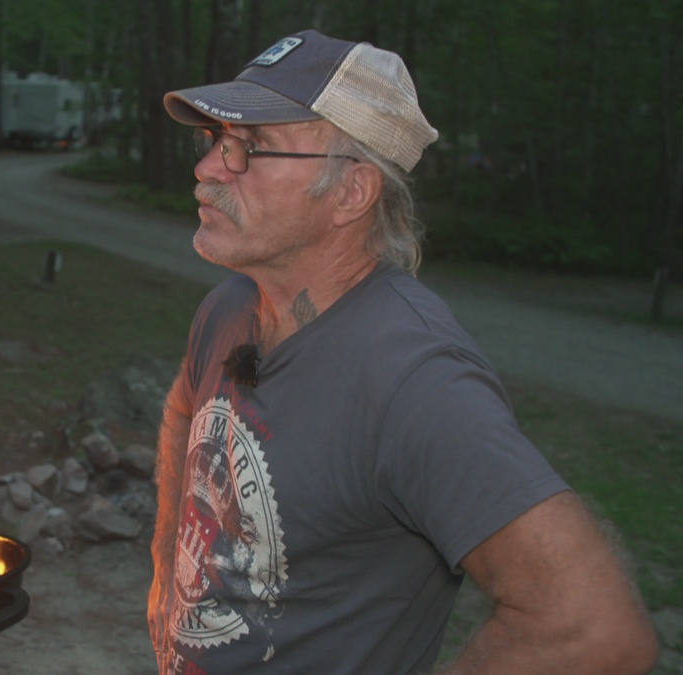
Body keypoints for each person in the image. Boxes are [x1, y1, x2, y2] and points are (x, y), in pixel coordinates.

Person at [147, 29, 659, 675]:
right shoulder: (228, 306)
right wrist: (167, 567)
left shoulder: (412, 377)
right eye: (214, 141)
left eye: (249, 148)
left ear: (351, 192)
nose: (207, 168)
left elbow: (594, 627)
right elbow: (181, 412)